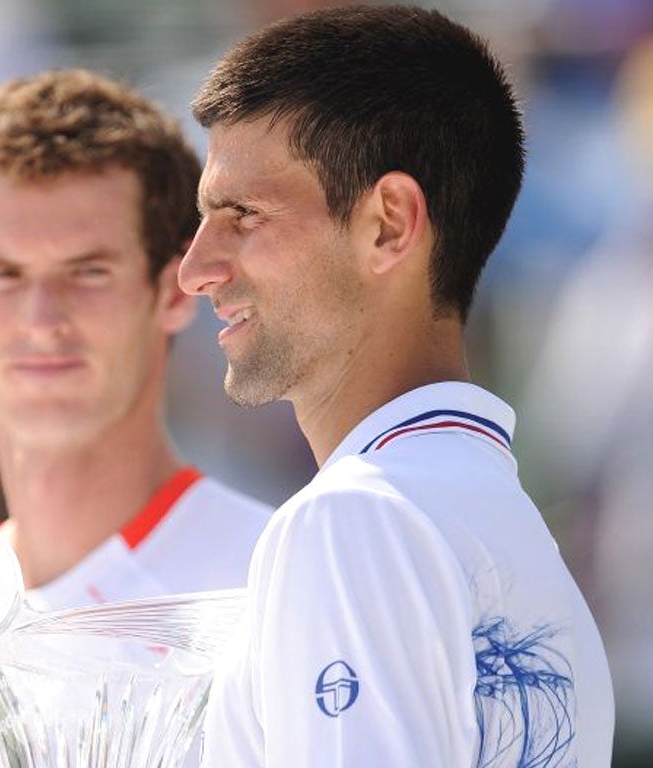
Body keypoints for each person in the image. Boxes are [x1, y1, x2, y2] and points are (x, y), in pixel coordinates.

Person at [177, 6, 614, 768]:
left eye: (242, 214)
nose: (195, 268)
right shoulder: (506, 529)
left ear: (388, 224)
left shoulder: (355, 519)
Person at [0, 69, 271, 765]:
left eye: (87, 272)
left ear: (175, 286)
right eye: (4, 275)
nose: (42, 322)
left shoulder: (275, 590)